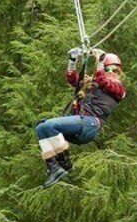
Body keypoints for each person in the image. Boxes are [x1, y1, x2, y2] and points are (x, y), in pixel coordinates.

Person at [35, 48, 127, 189]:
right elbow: (73, 80)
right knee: (42, 128)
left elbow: (103, 81)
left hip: (91, 124)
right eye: (108, 69)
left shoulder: (119, 90)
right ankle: (56, 167)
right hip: (80, 123)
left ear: (119, 73)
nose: (111, 72)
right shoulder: (93, 83)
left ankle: (64, 163)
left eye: (115, 70)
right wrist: (72, 61)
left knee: (50, 126)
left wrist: (100, 62)